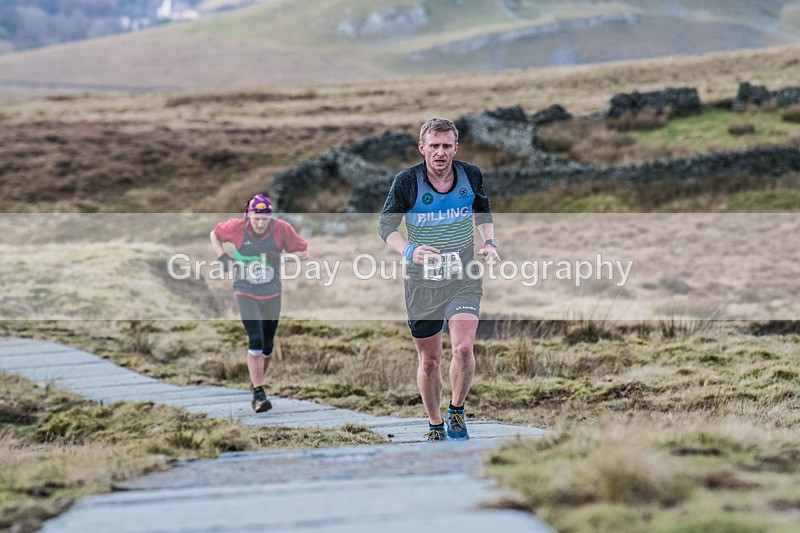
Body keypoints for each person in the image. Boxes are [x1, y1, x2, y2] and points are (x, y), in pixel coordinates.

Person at [378, 117, 500, 441]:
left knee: (462, 347)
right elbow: (386, 227)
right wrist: (409, 250)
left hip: (463, 273)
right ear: (422, 148)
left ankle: (456, 411)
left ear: (455, 148)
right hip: (421, 281)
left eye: (447, 146)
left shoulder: (470, 175)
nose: (441, 152)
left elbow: (482, 210)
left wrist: (489, 242)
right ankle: (434, 423)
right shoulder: (407, 182)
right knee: (429, 361)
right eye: (434, 146)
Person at [210, 194, 308, 413]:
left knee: (267, 346)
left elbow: (303, 253)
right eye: (256, 219)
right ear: (248, 216)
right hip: (245, 291)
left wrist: (282, 258)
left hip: (272, 293)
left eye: (265, 219)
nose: (261, 223)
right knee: (255, 339)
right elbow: (214, 235)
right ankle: (259, 393)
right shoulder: (235, 228)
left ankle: (256, 383)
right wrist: (222, 257)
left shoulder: (282, 229)